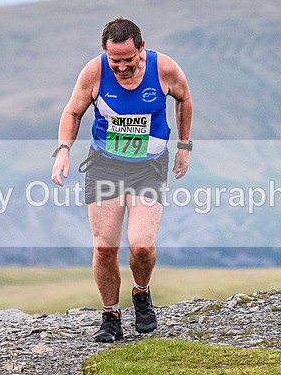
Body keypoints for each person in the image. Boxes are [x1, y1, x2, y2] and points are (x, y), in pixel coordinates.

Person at [52, 17, 193, 342]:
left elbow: (184, 98)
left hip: (149, 167)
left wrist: (184, 146)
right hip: (106, 166)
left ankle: (141, 293)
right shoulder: (95, 72)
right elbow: (73, 112)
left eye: (128, 61)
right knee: (104, 248)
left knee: (142, 245)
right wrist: (63, 150)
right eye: (115, 61)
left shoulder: (165, 69)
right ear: (105, 53)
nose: (121, 68)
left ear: (141, 49)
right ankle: (111, 314)